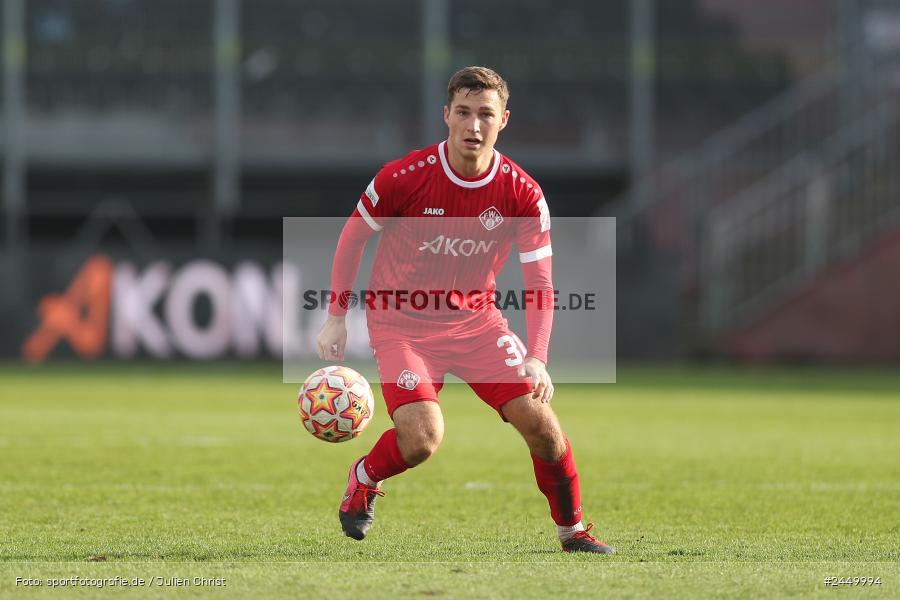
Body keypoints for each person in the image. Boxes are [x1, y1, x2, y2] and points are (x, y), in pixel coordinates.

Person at [317, 66, 614, 554]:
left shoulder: (522, 193)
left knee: (543, 427)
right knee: (422, 440)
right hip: (402, 324)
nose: (473, 126)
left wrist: (537, 355)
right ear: (446, 117)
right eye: (463, 113)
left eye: (485, 115)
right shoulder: (404, 177)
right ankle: (364, 476)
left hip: (477, 323)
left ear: (504, 121)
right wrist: (335, 315)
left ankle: (573, 531)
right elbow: (353, 237)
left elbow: (540, 283)